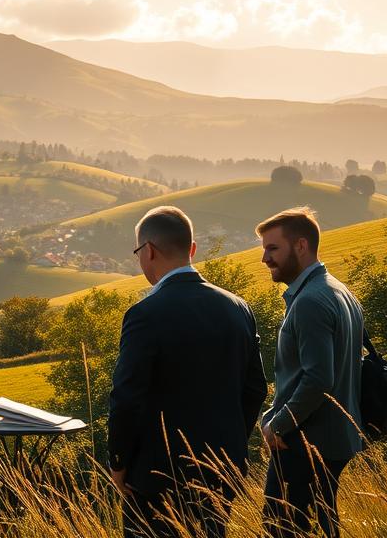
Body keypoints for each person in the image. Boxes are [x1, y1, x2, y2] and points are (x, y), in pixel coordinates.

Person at [109, 206, 268, 538]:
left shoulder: (144, 314)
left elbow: (127, 398)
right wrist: (233, 443)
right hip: (222, 468)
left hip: (157, 475)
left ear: (148, 251)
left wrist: (119, 462)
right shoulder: (238, 307)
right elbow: (255, 389)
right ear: (192, 249)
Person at [257, 207, 364, 537]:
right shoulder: (339, 290)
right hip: (331, 439)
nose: (264, 258)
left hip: (305, 441)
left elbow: (318, 378)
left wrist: (278, 424)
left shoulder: (310, 302)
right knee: (321, 526)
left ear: (301, 246)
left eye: (273, 248)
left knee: (281, 527)